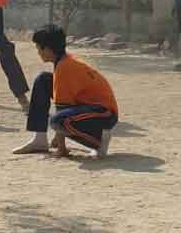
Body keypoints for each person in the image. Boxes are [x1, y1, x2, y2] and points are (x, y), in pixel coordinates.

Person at [12, 24, 118, 158]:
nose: (38, 52)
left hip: (104, 113)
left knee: (58, 121)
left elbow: (62, 110)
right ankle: (40, 140)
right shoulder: (63, 60)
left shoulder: (65, 67)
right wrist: (57, 138)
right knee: (43, 80)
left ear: (48, 49)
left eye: (39, 47)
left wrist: (61, 149)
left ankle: (99, 141)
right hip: (88, 107)